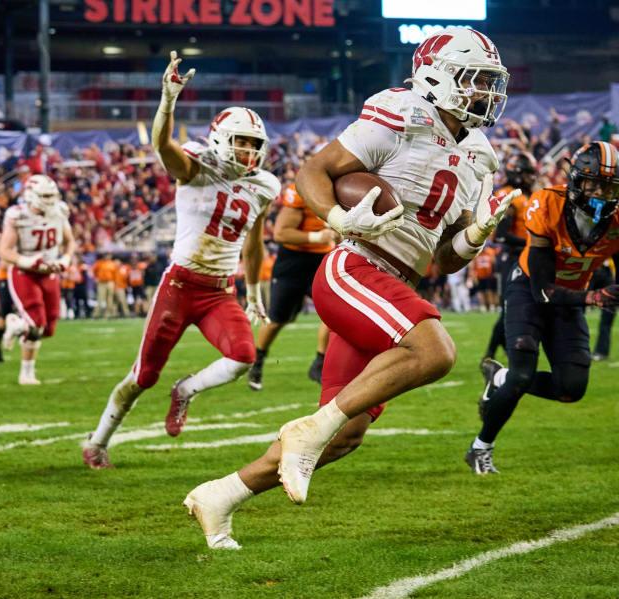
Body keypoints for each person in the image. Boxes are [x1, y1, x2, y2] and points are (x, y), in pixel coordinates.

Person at [183, 28, 517, 548]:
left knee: (344, 434)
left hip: (396, 286)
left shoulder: (481, 156)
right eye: (475, 80)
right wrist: (340, 216)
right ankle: (306, 433)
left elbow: (445, 259)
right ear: (436, 77)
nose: (485, 93)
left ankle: (220, 496)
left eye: (489, 83)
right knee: (434, 350)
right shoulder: (402, 114)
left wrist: (473, 238)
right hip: (355, 268)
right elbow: (315, 169)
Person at [82, 51, 280, 469]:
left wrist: (254, 292)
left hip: (219, 291)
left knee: (243, 357)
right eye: (241, 141)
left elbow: (254, 242)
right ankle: (98, 441)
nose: (247, 150)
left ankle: (186, 390)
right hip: (179, 286)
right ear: (220, 140)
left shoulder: (263, 184)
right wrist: (168, 101)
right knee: (143, 376)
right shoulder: (196, 166)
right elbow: (161, 144)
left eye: (253, 144)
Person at [468, 141, 619, 474]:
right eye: (593, 182)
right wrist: (594, 297)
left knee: (572, 389)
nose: (600, 192)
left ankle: (499, 377)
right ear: (577, 178)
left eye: (609, 186)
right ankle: (481, 447)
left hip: (571, 299)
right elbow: (542, 291)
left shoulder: (616, 219)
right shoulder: (547, 203)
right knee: (522, 375)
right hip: (530, 290)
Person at [247, 182, 340, 391]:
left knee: (335, 313)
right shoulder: (302, 192)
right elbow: (280, 234)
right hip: (293, 262)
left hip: (322, 260)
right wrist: (317, 237)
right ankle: (258, 360)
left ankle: (319, 362)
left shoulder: (341, 190)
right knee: (278, 320)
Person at [0, 174, 75, 385]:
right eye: (45, 195)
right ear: (32, 195)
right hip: (25, 273)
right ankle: (25, 372)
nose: (50, 199)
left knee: (47, 329)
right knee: (36, 321)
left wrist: (66, 259)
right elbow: (4, 250)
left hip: (49, 272)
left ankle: (17, 327)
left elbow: (69, 242)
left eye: (52, 194)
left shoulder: (60, 211)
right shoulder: (18, 215)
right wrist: (28, 261)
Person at [482, 153, 536, 360]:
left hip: (526, 257)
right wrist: (533, 244)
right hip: (513, 257)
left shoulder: (529, 195)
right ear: (518, 173)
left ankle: (501, 349)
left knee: (521, 307)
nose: (532, 178)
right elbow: (502, 236)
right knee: (509, 307)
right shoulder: (508, 195)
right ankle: (490, 352)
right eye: (528, 174)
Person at [0, 259, 14, 363]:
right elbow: (4, 264)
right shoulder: (7, 243)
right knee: (4, 316)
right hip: (5, 280)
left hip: (18, 279)